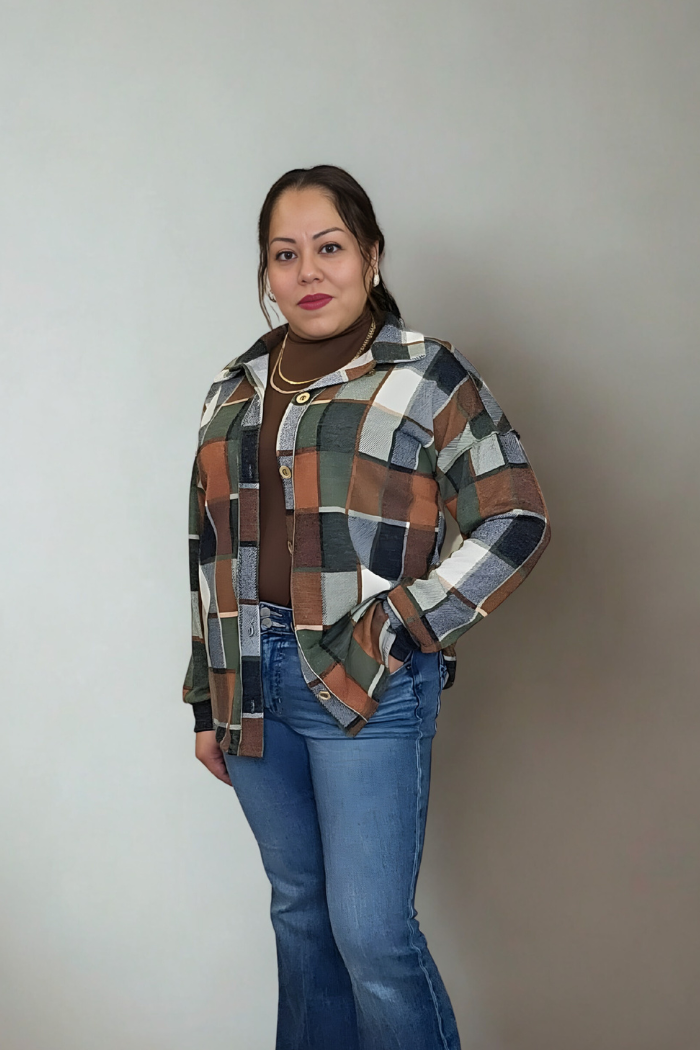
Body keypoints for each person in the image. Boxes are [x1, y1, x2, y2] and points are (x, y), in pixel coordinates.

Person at [183, 164, 551, 1050]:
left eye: (330, 247)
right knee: (301, 920)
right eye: (285, 254)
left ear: (371, 256)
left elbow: (516, 515)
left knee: (372, 937)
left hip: (368, 684)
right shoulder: (233, 389)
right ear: (266, 275)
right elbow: (207, 549)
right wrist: (206, 695)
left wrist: (399, 624)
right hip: (252, 686)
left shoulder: (425, 374)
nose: (309, 271)